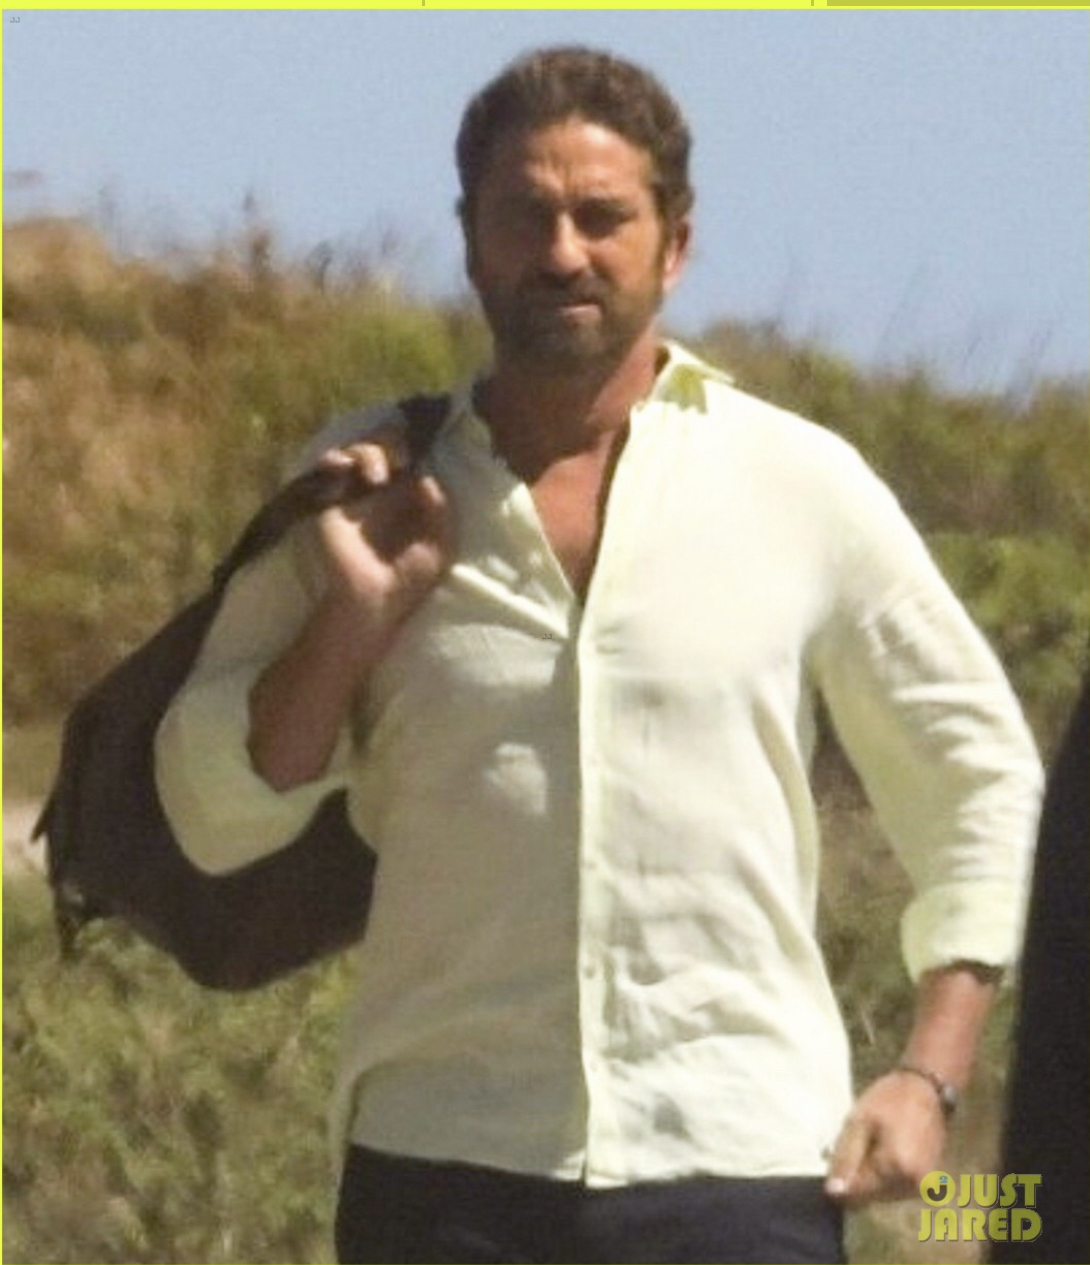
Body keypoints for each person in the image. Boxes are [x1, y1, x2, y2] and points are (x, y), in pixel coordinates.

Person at [154, 46, 1043, 1264]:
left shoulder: (796, 482)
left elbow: (979, 775)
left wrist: (928, 1074)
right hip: (443, 1170)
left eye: (601, 216)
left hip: (738, 1169)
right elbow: (213, 813)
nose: (561, 251)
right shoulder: (364, 488)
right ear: (472, 242)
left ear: (675, 243)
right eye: (524, 215)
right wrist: (353, 618)